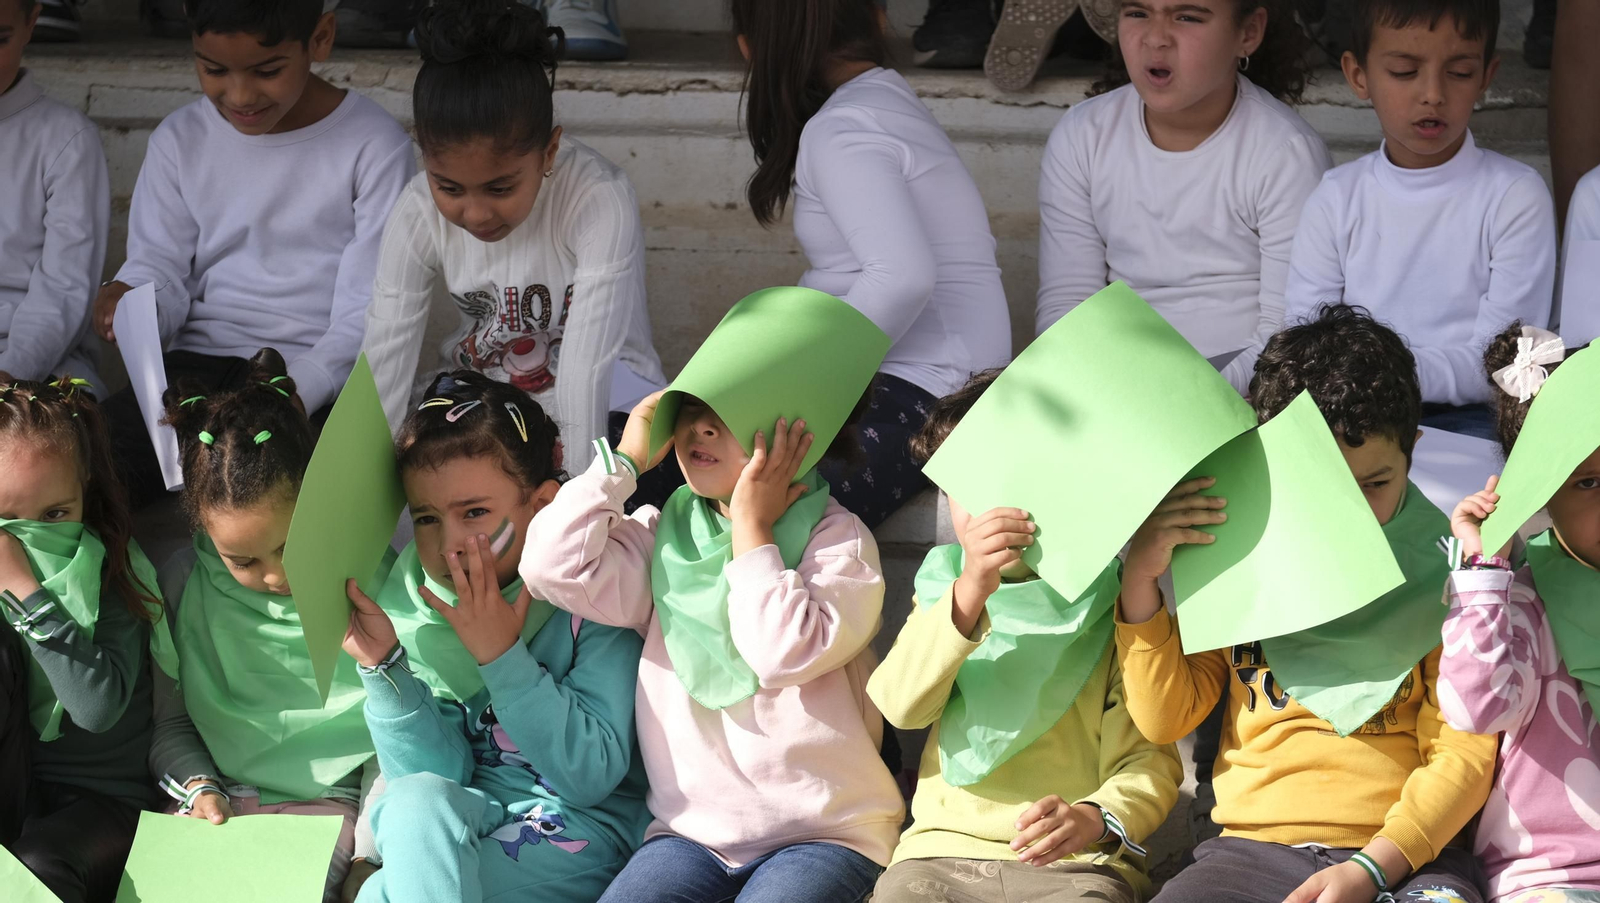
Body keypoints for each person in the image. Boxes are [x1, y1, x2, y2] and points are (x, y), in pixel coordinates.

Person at [520, 301, 905, 902]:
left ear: (798, 436)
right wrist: (624, 464)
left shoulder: (838, 544)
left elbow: (782, 654)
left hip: (826, 835)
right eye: (691, 408)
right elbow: (549, 567)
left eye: (727, 415)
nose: (699, 427)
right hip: (689, 837)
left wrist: (752, 530)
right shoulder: (661, 537)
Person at [1119, 305, 1497, 903]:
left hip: (1407, 858)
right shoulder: (1238, 555)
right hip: (1246, 854)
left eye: (1375, 483)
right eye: (1323, 485)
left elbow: (1463, 752)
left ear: (1413, 450)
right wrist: (1140, 582)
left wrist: (1373, 868)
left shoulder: (1451, 574)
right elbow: (1167, 719)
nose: (1351, 510)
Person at [868, 369, 1183, 903]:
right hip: (941, 853)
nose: (986, 510)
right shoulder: (945, 589)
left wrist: (1094, 818)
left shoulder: (1117, 605)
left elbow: (1148, 760)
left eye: (1006, 485)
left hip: (1075, 863)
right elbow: (901, 707)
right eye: (963, 487)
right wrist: (970, 591)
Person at [91, 0, 414, 509]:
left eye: (267, 71)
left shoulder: (374, 145)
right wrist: (133, 300)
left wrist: (298, 390)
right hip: (193, 369)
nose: (239, 95)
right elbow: (159, 265)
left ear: (320, 38)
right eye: (214, 69)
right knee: (86, 469)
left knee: (292, 498)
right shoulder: (179, 140)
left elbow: (369, 309)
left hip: (310, 375)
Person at [342, 370, 649, 903]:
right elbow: (437, 778)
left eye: (475, 513)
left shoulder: (596, 594)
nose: (449, 543)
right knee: (412, 801)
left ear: (544, 505)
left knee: (381, 896)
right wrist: (384, 667)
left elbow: (590, 776)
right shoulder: (415, 605)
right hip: (474, 811)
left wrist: (502, 656)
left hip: (577, 826)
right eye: (427, 518)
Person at [719, 0, 1012, 528]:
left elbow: (902, 277)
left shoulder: (842, 127)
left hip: (928, 396)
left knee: (744, 503)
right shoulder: (879, 104)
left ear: (750, 50)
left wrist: (801, 384)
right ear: (877, 18)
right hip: (932, 382)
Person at [361, 0, 663, 476]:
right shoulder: (417, 209)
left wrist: (577, 498)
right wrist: (365, 487)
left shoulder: (597, 197)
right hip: (486, 399)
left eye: (500, 188)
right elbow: (385, 356)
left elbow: (586, 368)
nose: (476, 213)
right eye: (449, 188)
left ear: (549, 151)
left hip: (609, 398)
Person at [148, 348, 382, 903]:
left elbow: (396, 747)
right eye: (242, 561)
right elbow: (170, 724)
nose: (277, 576)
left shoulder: (373, 584)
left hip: (333, 815)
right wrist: (199, 786)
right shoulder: (181, 584)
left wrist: (370, 855)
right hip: (214, 808)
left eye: (290, 545)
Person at [1283, 0, 1556, 440]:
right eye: (1405, 71)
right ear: (1358, 75)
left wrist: (1381, 371)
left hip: (1471, 421)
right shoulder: (1335, 198)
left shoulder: (1515, 195)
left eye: (1460, 72)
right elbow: (1307, 341)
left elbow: (1509, 364)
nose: (1433, 93)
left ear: (1486, 76)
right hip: (1353, 413)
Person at [1035, 0, 1330, 394]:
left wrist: (1183, 395)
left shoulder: (1285, 153)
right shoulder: (1082, 135)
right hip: (1112, 387)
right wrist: (1101, 385)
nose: (1156, 38)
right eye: (1137, 13)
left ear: (1248, 33)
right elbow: (1067, 303)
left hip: (1245, 394)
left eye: (1187, 17)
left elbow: (1288, 333)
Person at [1439, 323, 1600, 903]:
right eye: (1588, 482)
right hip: (1553, 879)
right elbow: (1474, 708)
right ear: (1542, 494)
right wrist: (1484, 568)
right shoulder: (1520, 602)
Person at [0, 375, 177, 903]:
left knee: (35, 869)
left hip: (109, 805)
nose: (33, 537)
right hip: (21, 792)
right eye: (7, 520)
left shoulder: (112, 576)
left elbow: (95, 708)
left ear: (85, 493)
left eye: (55, 515)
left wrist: (26, 594)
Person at [0, 0, 108, 392]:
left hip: (43, 362)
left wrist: (11, 374)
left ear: (31, 21)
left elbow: (65, 288)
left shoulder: (66, 139)